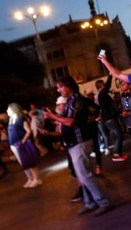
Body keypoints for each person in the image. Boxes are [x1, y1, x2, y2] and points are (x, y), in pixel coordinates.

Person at [43, 76, 112, 215]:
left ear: (69, 86)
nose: (59, 89)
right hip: (74, 144)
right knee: (81, 175)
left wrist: (53, 117)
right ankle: (90, 202)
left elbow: (70, 122)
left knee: (85, 175)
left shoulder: (77, 101)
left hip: (80, 143)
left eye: (60, 86)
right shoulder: (71, 101)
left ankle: (103, 201)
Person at [7, 103, 42, 188]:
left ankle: (37, 179)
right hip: (14, 144)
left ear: (13, 109)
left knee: (30, 162)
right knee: (24, 164)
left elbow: (28, 131)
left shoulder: (21, 119)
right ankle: (30, 179)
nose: (7, 111)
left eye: (8, 109)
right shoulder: (11, 120)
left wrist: (23, 141)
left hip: (21, 143)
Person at [95, 76, 127, 163]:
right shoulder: (102, 94)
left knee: (118, 135)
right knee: (119, 135)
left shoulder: (103, 95)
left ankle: (118, 153)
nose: (105, 85)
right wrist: (110, 75)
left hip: (109, 118)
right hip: (109, 119)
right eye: (103, 85)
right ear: (101, 86)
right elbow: (108, 86)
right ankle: (116, 154)